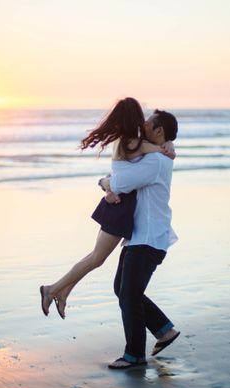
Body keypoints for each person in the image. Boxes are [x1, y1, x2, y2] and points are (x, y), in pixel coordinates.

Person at [40, 98, 175, 318]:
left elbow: (136, 161)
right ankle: (51, 290)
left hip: (121, 204)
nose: (145, 121)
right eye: (142, 116)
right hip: (120, 207)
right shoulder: (130, 143)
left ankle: (62, 292)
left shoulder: (132, 141)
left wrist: (168, 144)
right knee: (96, 258)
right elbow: (149, 151)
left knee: (95, 257)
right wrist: (164, 147)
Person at [98, 109, 180, 369]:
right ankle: (164, 330)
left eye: (148, 122)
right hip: (142, 238)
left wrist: (105, 182)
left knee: (129, 295)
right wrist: (107, 182)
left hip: (147, 240)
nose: (142, 124)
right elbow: (125, 174)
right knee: (122, 290)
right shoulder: (154, 157)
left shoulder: (155, 161)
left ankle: (134, 354)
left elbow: (121, 182)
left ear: (158, 131)